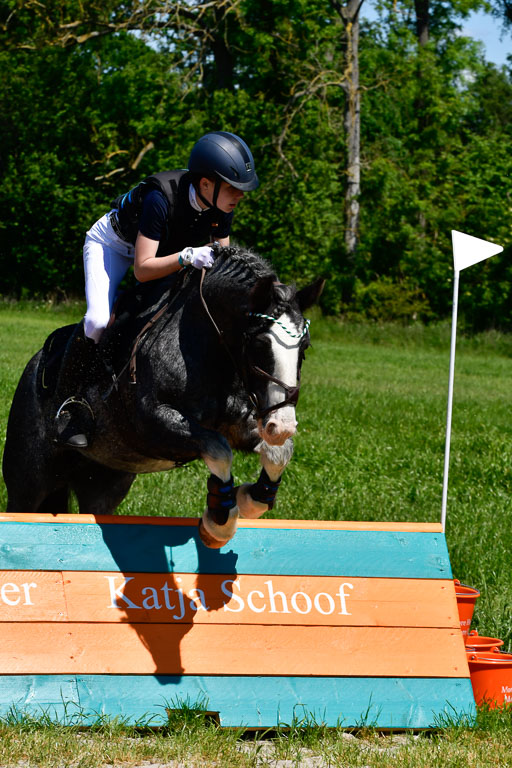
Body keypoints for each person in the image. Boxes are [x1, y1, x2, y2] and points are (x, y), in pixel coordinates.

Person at [54, 131, 259, 448]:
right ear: (206, 183)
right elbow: (143, 269)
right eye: (233, 187)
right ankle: (71, 403)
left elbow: (223, 265)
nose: (240, 196)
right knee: (97, 320)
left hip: (164, 254)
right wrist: (188, 256)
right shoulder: (160, 198)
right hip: (113, 245)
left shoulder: (222, 207)